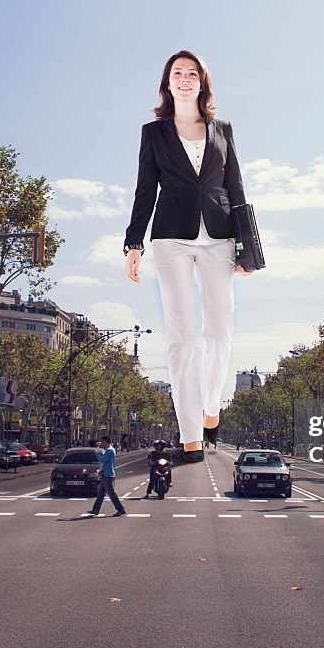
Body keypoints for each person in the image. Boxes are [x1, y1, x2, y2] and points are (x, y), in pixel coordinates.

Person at [124, 49, 253, 464]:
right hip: (170, 239)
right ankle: (190, 433)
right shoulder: (153, 133)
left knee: (219, 331)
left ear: (202, 82)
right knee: (182, 336)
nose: (184, 79)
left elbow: (236, 189)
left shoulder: (224, 130)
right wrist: (133, 243)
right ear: (168, 83)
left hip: (219, 238)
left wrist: (247, 246)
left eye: (191, 73)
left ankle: (210, 405)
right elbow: (145, 190)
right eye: (177, 73)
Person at [89, 436, 126, 516]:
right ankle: (95, 509)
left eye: (102, 442)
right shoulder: (110, 450)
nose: (102, 444)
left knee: (111, 494)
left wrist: (96, 454)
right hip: (106, 474)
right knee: (101, 494)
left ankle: (120, 509)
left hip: (108, 475)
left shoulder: (109, 450)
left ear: (106, 442)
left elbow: (102, 460)